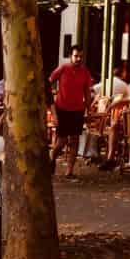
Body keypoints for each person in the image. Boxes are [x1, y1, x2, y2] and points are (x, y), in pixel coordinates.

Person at [49, 45, 93, 178]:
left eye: (81, 56)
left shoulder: (85, 72)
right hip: (62, 109)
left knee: (75, 140)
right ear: (70, 56)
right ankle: (52, 157)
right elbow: (49, 82)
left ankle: (69, 171)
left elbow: (87, 93)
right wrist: (50, 101)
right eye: (76, 56)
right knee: (61, 142)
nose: (78, 58)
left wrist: (88, 109)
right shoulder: (63, 68)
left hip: (77, 111)